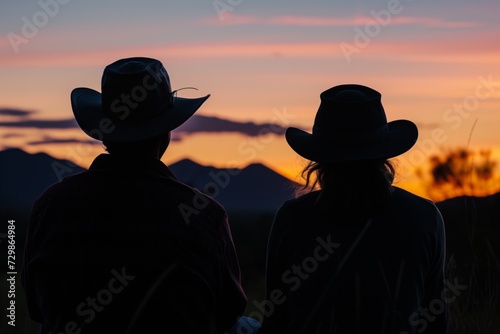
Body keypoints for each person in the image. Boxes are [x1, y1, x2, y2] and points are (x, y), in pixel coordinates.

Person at [22, 57, 247, 334]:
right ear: (166, 133)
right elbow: (228, 313)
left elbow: (35, 307)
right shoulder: (205, 215)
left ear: (104, 133)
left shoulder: (49, 205)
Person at [257, 84, 448, 333]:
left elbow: (275, 320)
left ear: (320, 159)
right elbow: (436, 322)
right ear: (383, 154)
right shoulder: (424, 216)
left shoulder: (292, 217)